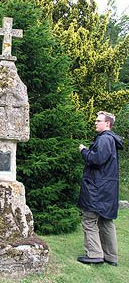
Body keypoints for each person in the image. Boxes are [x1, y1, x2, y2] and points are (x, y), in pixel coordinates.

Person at [77, 111, 123, 266]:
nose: (95, 123)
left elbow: (96, 159)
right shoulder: (112, 140)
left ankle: (94, 254)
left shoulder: (104, 139)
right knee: (106, 221)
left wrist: (84, 150)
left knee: (89, 220)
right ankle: (111, 257)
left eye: (98, 121)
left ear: (107, 124)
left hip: (97, 188)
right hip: (107, 189)